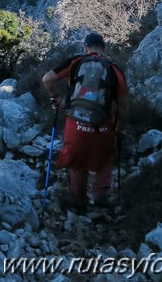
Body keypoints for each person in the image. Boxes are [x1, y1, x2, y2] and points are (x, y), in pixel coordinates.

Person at [42, 32, 128, 214]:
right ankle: (101, 197)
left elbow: (47, 79)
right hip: (103, 125)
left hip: (76, 124)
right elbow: (123, 105)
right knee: (105, 157)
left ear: (85, 48)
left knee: (77, 162)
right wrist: (120, 128)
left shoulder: (76, 61)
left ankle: (80, 203)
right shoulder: (114, 69)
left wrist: (57, 97)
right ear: (104, 49)